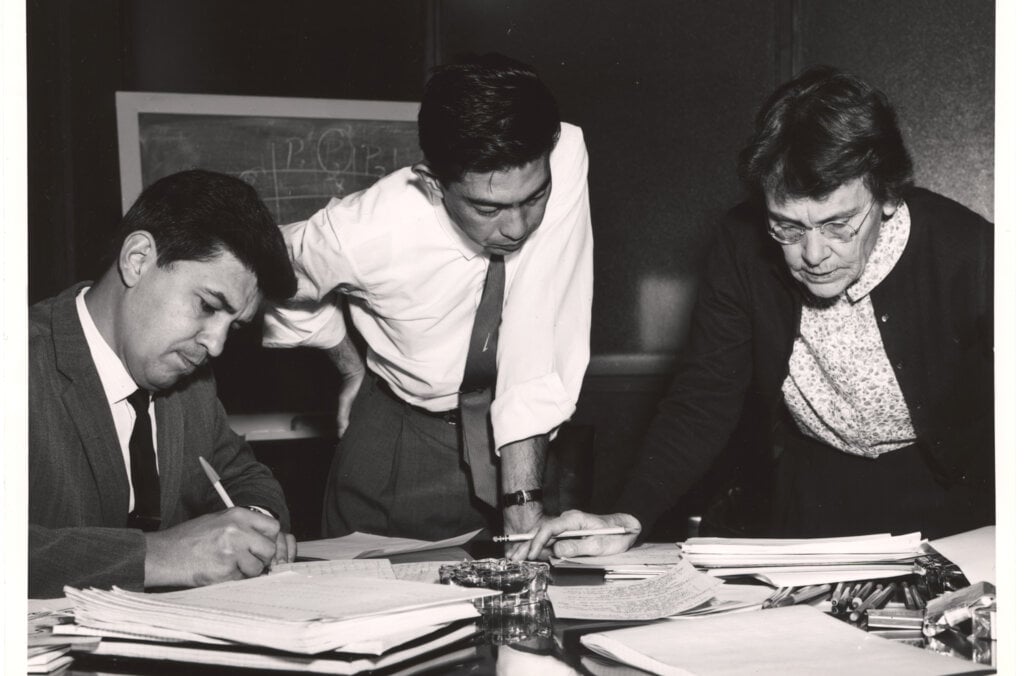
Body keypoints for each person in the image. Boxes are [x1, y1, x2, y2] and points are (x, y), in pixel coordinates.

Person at [514, 66, 993, 561]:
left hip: (956, 510)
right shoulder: (741, 244)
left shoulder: (968, 249)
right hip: (814, 505)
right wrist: (630, 513)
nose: (813, 253)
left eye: (838, 225)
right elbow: (704, 397)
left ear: (888, 195)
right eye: (786, 226)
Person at [263, 53, 593, 541]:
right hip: (404, 438)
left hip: (527, 450)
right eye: (488, 208)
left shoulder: (562, 154)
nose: (519, 226)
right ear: (433, 184)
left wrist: (523, 506)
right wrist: (351, 367)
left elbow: (534, 337)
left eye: (534, 198)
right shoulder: (364, 232)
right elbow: (275, 270)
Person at [29, 169, 300, 598]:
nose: (215, 345)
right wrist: (159, 555)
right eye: (208, 306)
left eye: (235, 326)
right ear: (137, 259)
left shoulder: (190, 381)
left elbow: (242, 474)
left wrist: (251, 522)